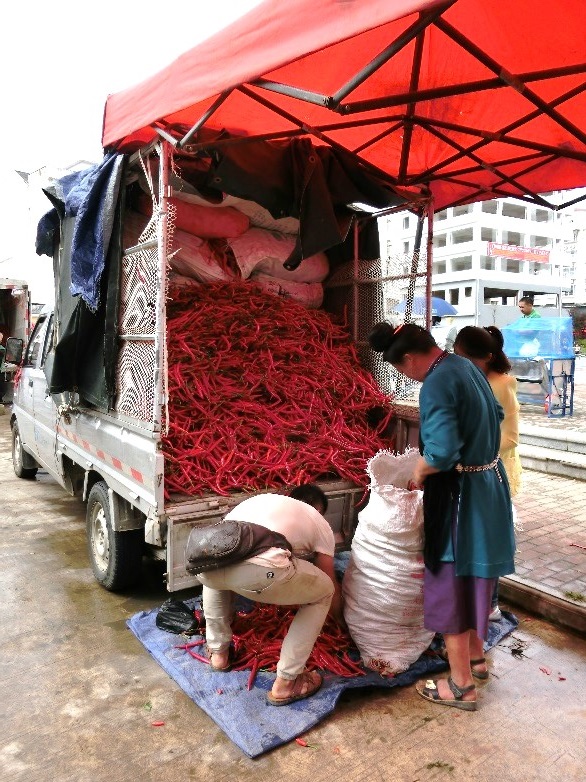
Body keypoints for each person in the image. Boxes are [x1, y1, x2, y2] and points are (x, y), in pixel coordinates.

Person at [368, 322, 515, 711]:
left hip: (461, 494)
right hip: (490, 484)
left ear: (410, 358)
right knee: (476, 579)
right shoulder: (465, 366)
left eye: (402, 370)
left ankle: (461, 685)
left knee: (450, 583)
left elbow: (443, 453)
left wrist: (420, 470)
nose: (407, 376)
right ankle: (478, 660)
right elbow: (496, 413)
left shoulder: (435, 382)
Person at [197, 483, 343, 706]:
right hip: (260, 570)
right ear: (319, 511)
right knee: (324, 591)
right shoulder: (319, 523)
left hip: (204, 563)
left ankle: (218, 654)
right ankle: (287, 682)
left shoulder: (261, 501)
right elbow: (327, 575)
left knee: (219, 570)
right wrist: (340, 621)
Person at [453, 325, 522, 621]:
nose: (460, 364)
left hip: (492, 470)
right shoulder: (468, 380)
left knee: (489, 538)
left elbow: (510, 437)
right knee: (470, 538)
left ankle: (490, 604)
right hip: (467, 472)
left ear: (487, 357)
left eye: (465, 357)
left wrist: (476, 450)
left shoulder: (503, 383)